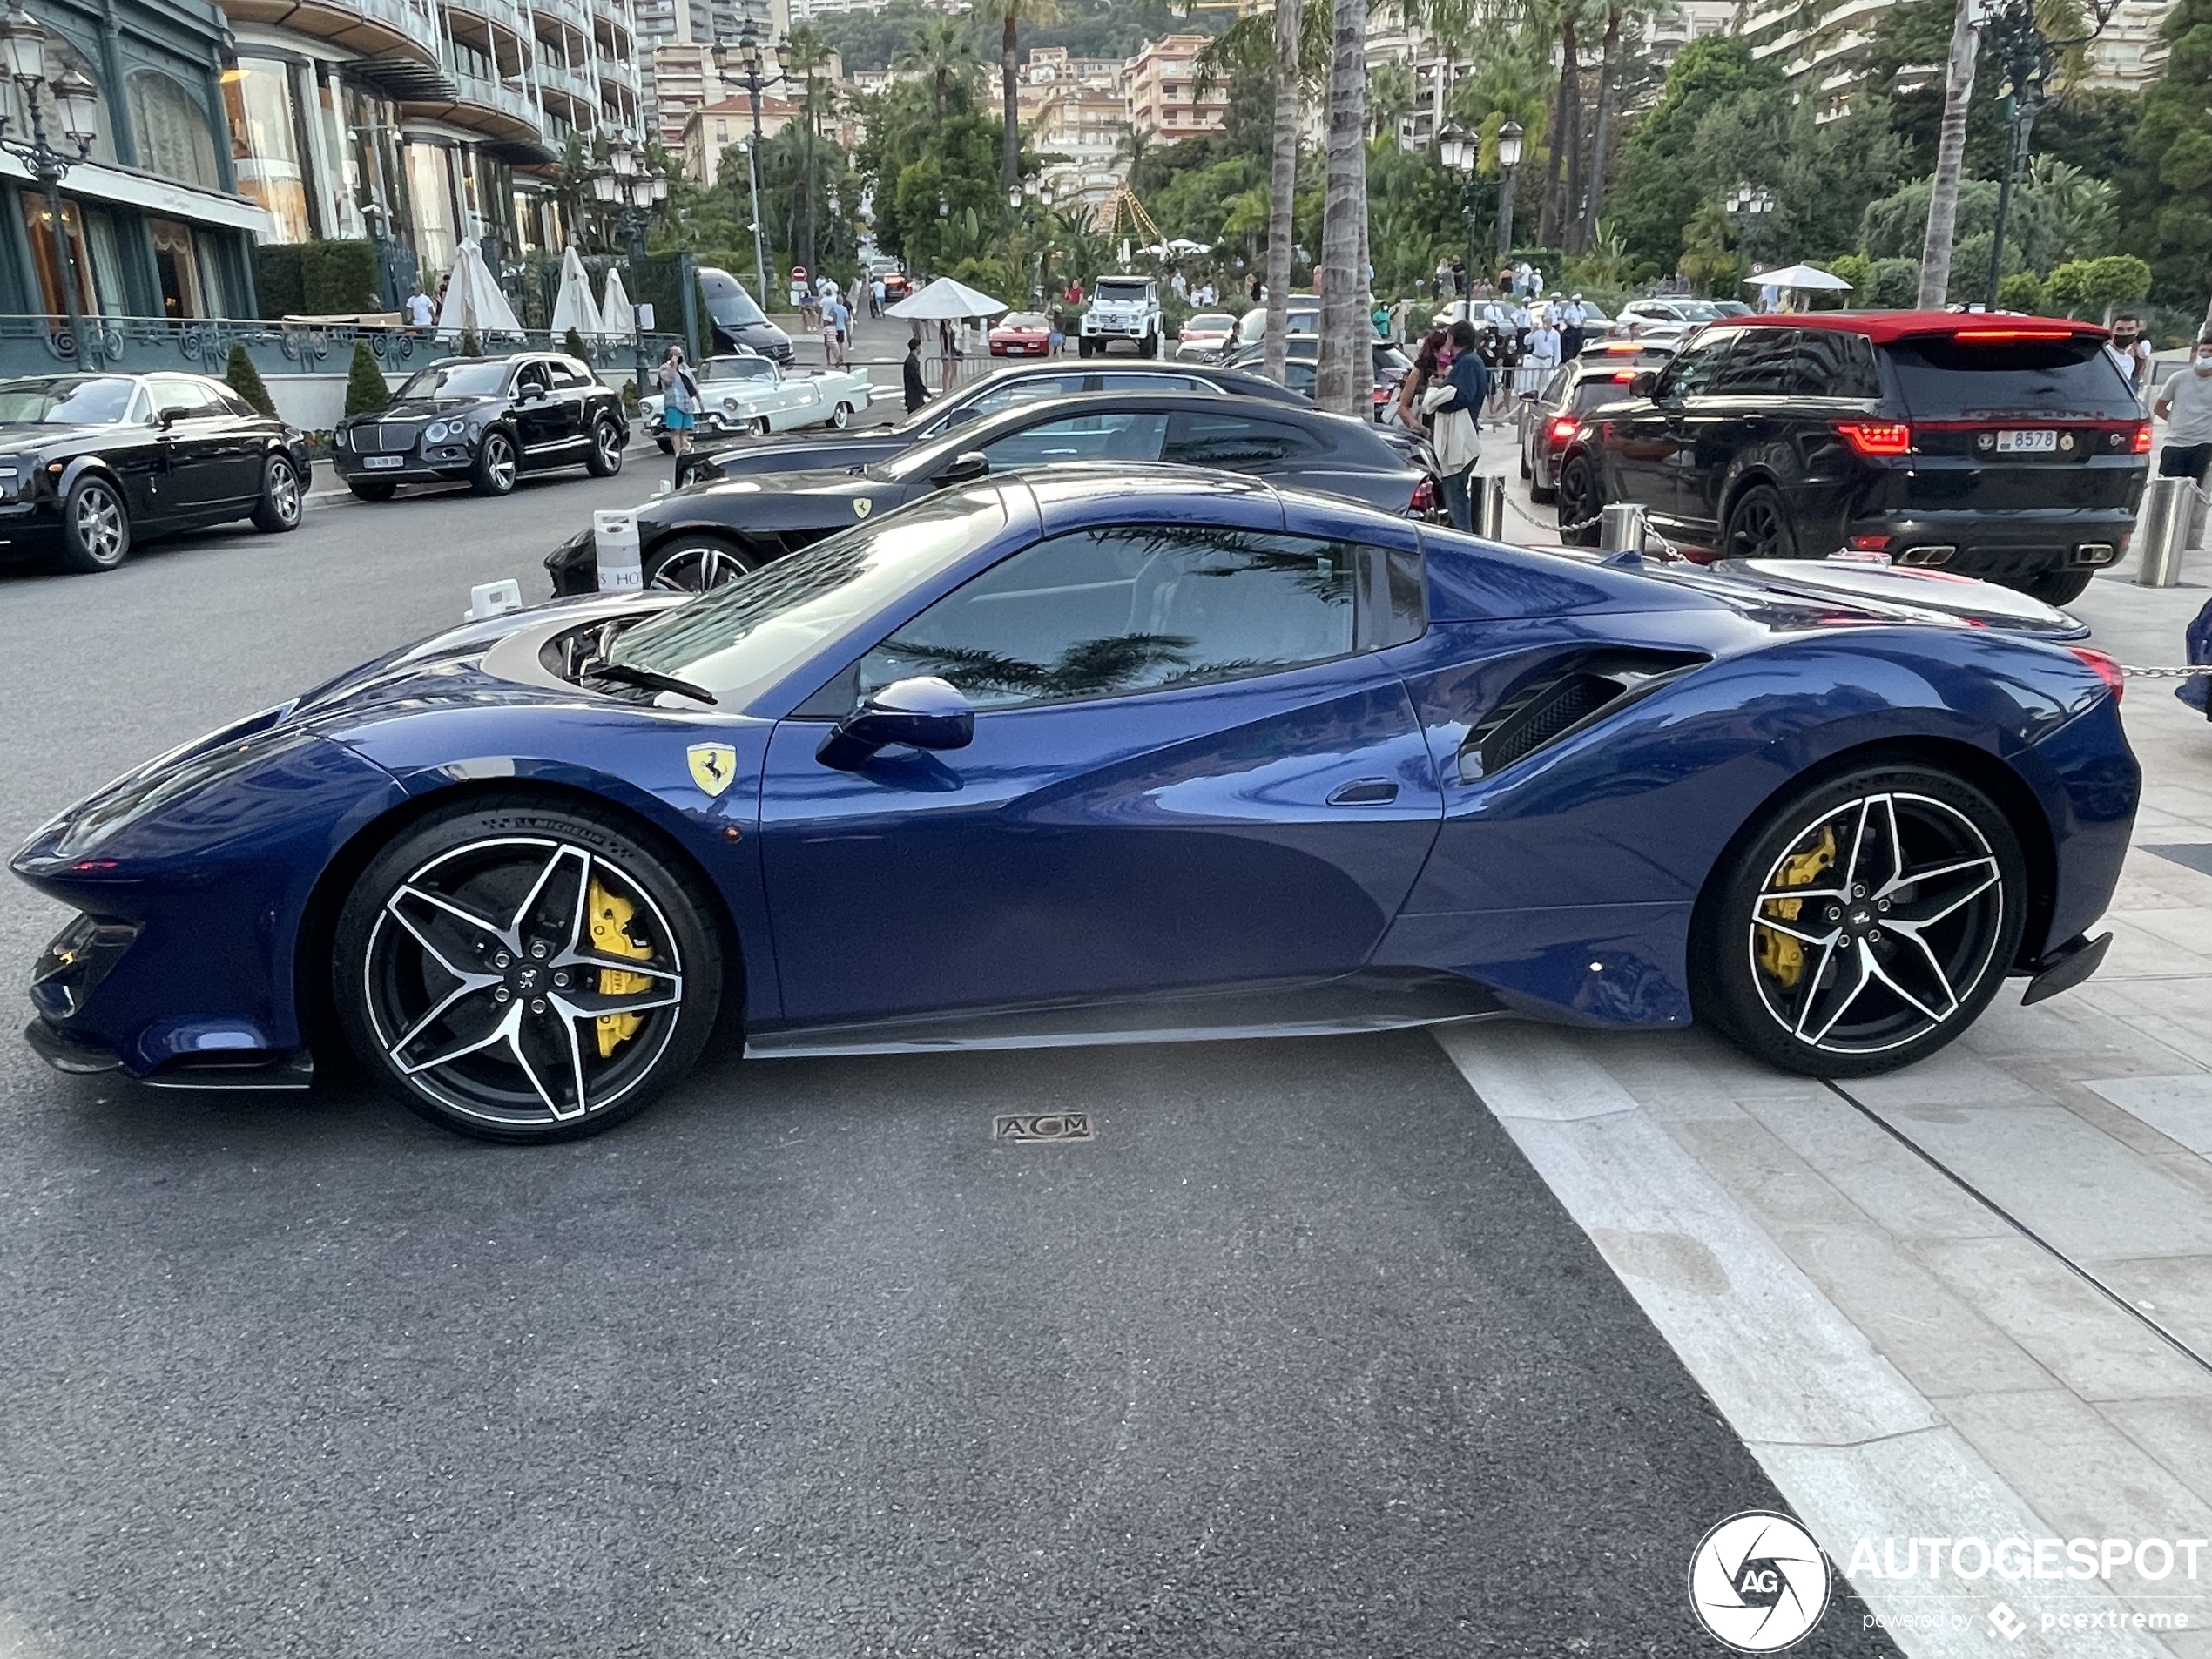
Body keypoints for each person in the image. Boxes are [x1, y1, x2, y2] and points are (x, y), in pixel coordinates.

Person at [1420, 319, 1489, 529]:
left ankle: (1464, 542)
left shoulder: (1467, 363)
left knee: (1455, 498)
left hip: (1459, 439)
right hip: (1461, 437)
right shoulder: (1470, 362)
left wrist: (1438, 399)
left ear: (1452, 338)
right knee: (1456, 495)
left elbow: (1462, 396)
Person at [2154, 337, 2212, 548]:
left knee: (2194, 494)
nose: (2206, 356)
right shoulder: (2179, 378)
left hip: (2203, 444)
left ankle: (2186, 540)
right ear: (2196, 354)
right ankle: (2159, 533)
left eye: (2210, 352)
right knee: (2166, 490)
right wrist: (2176, 422)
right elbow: (2159, 406)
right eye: (2203, 351)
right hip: (2175, 443)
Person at [1399, 327, 1447, 435]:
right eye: (1447, 347)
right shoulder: (1419, 372)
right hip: (1427, 431)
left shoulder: (1455, 368)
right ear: (1435, 351)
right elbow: (1403, 406)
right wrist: (1416, 425)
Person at [658, 345, 702, 459]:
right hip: (674, 404)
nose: (678, 356)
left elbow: (693, 385)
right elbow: (668, 381)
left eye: (679, 354)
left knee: (685, 431)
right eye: (675, 354)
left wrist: (700, 402)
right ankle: (678, 453)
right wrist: (673, 366)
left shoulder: (686, 368)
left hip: (687, 404)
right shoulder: (664, 368)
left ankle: (685, 451)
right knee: (675, 431)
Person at [2113, 314, 2153, 401]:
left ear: (2137, 332)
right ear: (2112, 331)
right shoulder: (2104, 355)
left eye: (2130, 330)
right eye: (2120, 330)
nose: (2125, 333)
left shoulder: (2130, 360)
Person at [903, 334, 929, 413]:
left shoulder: (912, 361)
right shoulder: (911, 362)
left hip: (915, 398)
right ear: (917, 347)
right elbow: (916, 380)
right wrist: (927, 393)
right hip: (914, 399)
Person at [1558, 293, 1588, 360]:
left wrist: (1582, 324)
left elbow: (1584, 317)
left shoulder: (1581, 309)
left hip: (1579, 329)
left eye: (1579, 300)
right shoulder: (1570, 309)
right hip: (1572, 329)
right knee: (1572, 345)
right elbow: (1566, 319)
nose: (1578, 301)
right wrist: (1573, 325)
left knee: (1579, 344)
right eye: (1577, 300)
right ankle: (1570, 358)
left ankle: (1578, 358)